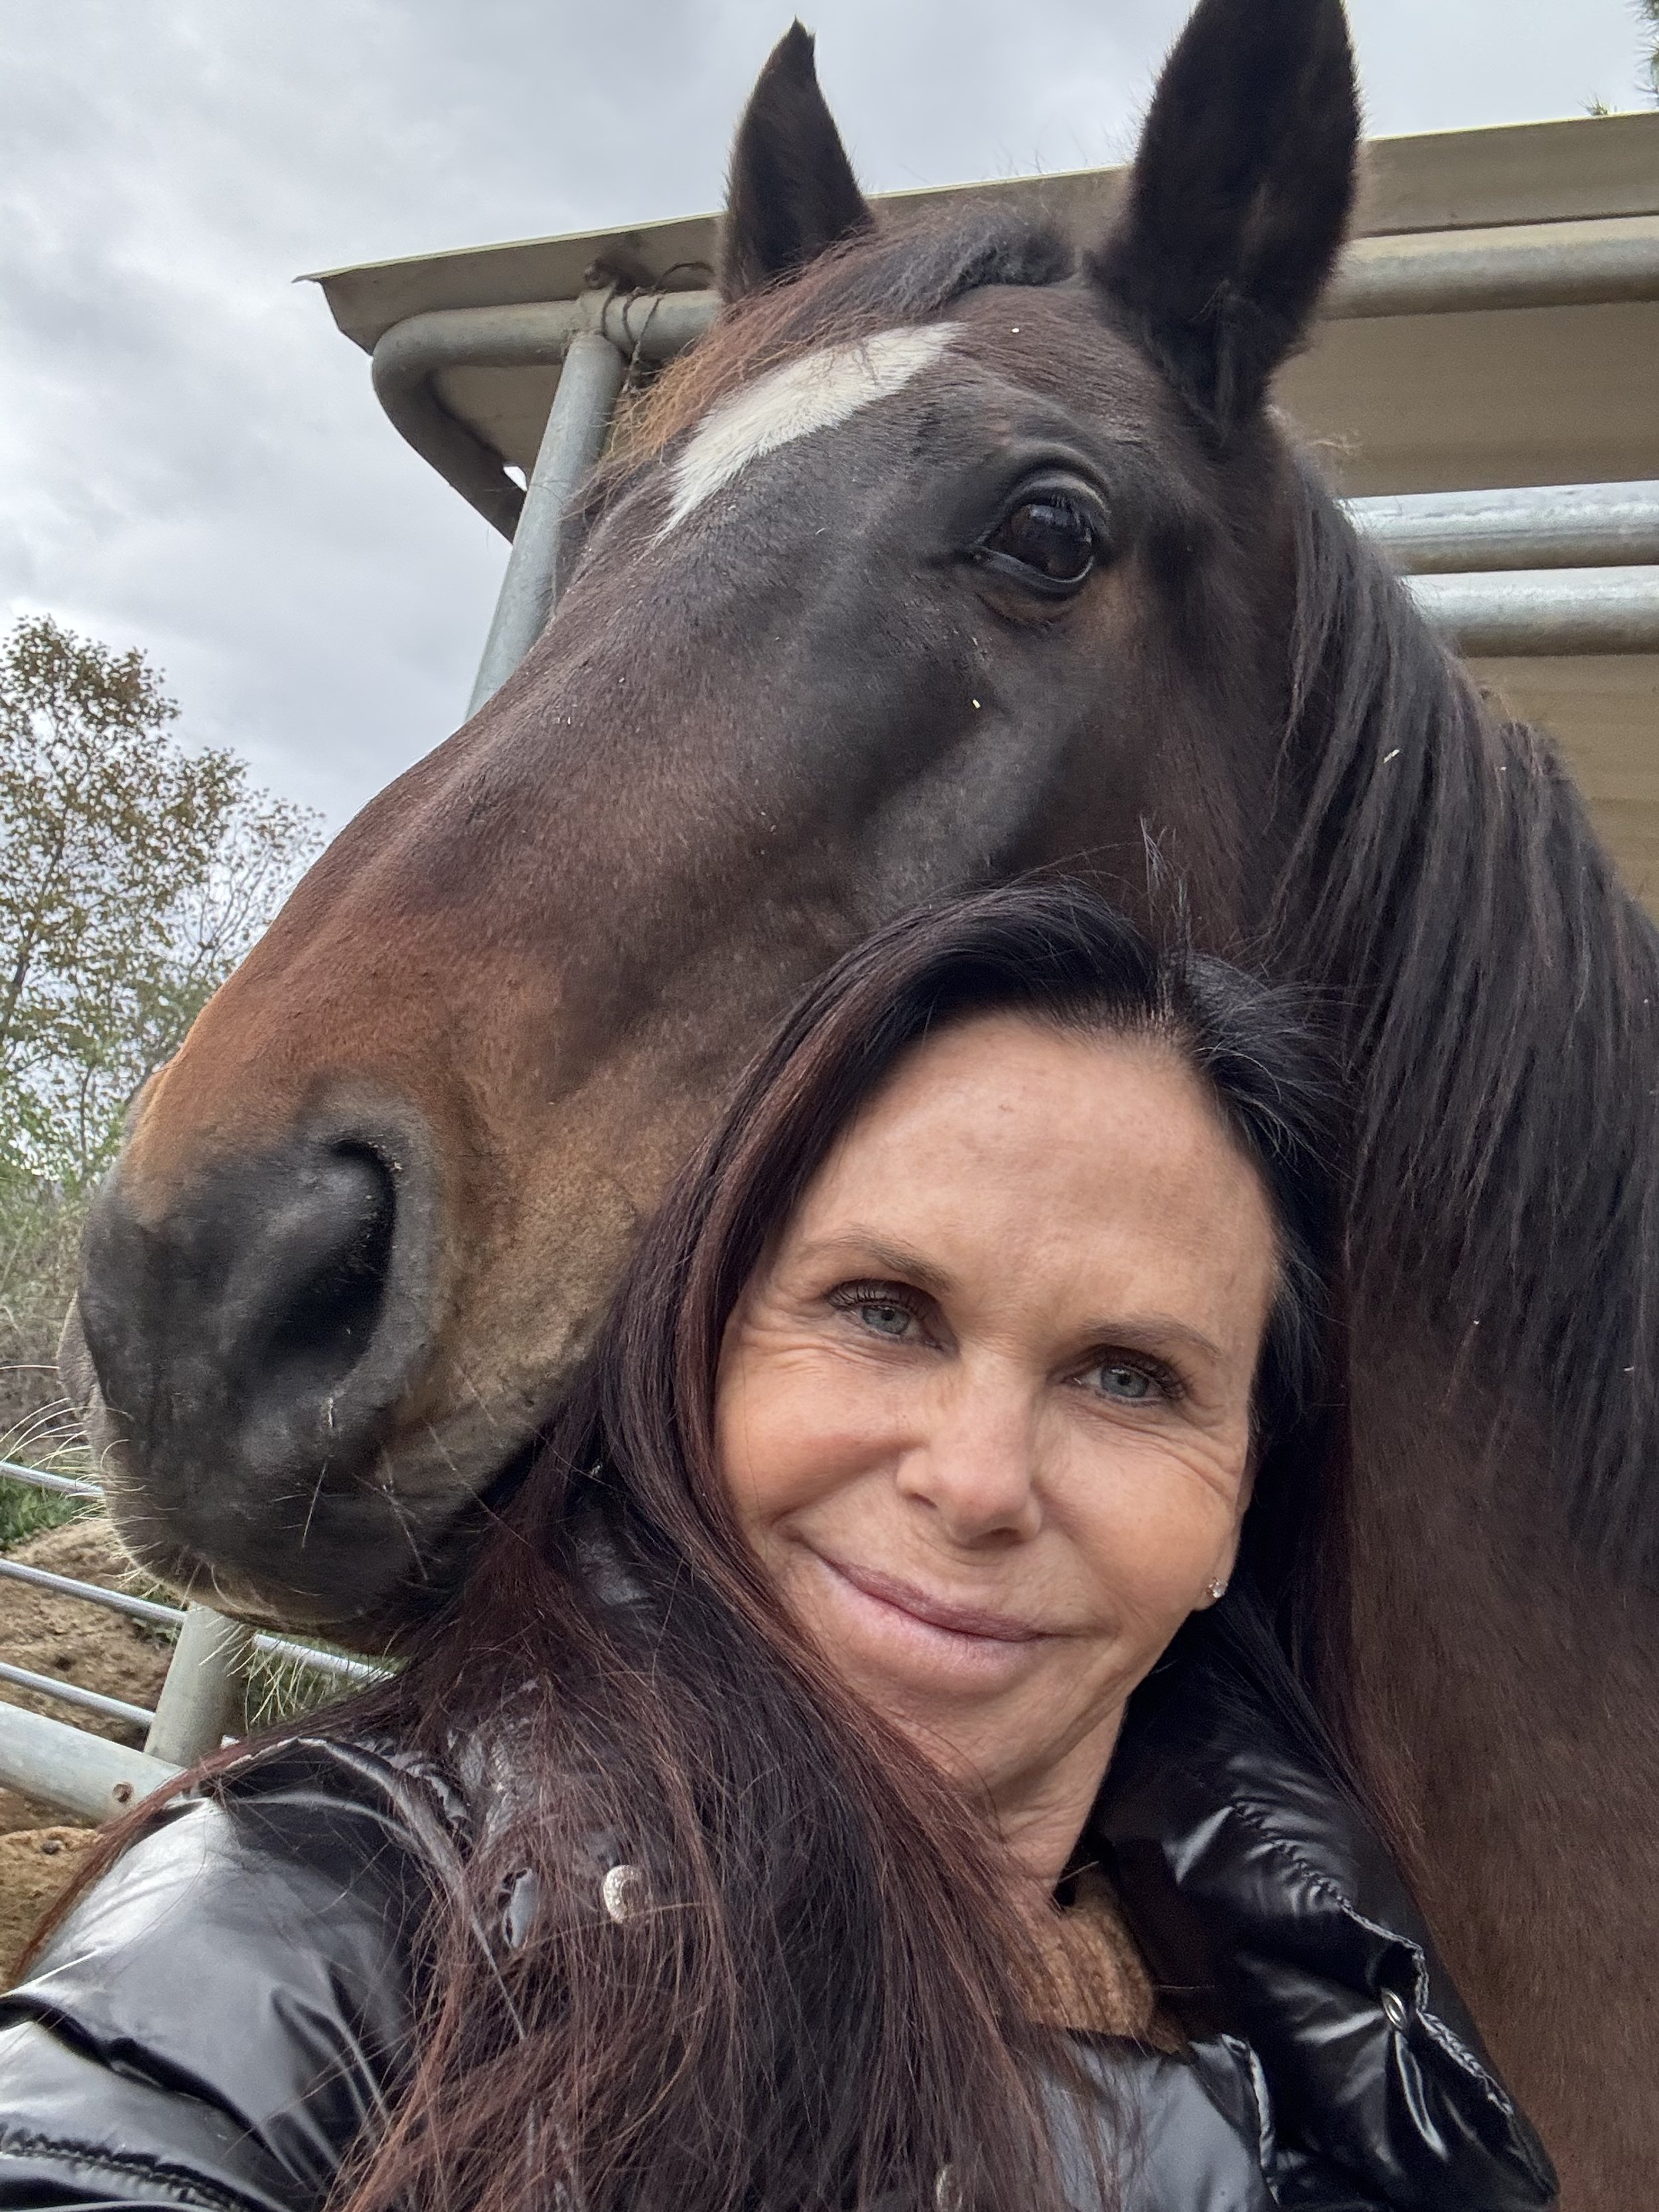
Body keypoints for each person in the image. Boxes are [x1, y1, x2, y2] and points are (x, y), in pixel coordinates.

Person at [0, 885, 1553, 2212]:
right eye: (884, 1309)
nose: (975, 1480)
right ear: (700, 1356)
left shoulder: (1374, 2086)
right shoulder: (307, 1938)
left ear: (1237, 1503)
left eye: (1128, 1376)